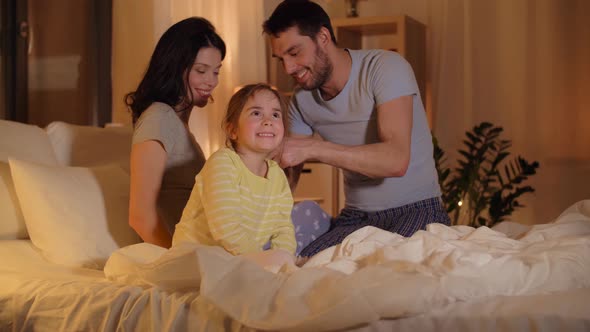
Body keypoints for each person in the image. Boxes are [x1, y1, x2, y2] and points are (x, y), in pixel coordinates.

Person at [263, 0, 451, 257]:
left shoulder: (385, 67)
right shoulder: (301, 101)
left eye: (295, 53)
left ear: (324, 37)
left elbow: (395, 161)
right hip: (355, 217)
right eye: (281, 58)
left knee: (386, 275)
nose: (288, 68)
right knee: (303, 268)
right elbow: (286, 172)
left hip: (417, 209)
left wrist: (315, 148)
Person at [126, 17, 226, 248]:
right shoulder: (158, 118)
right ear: (174, 68)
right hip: (176, 256)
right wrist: (178, 261)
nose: (211, 81)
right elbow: (140, 216)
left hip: (200, 250)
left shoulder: (179, 126)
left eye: (216, 72)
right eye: (201, 71)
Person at [172, 83, 297, 260]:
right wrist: (261, 261)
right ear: (233, 130)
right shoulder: (222, 163)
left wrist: (283, 260)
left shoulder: (277, 175)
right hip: (196, 258)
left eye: (276, 115)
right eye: (256, 113)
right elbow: (227, 228)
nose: (268, 120)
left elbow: (283, 228)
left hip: (239, 259)